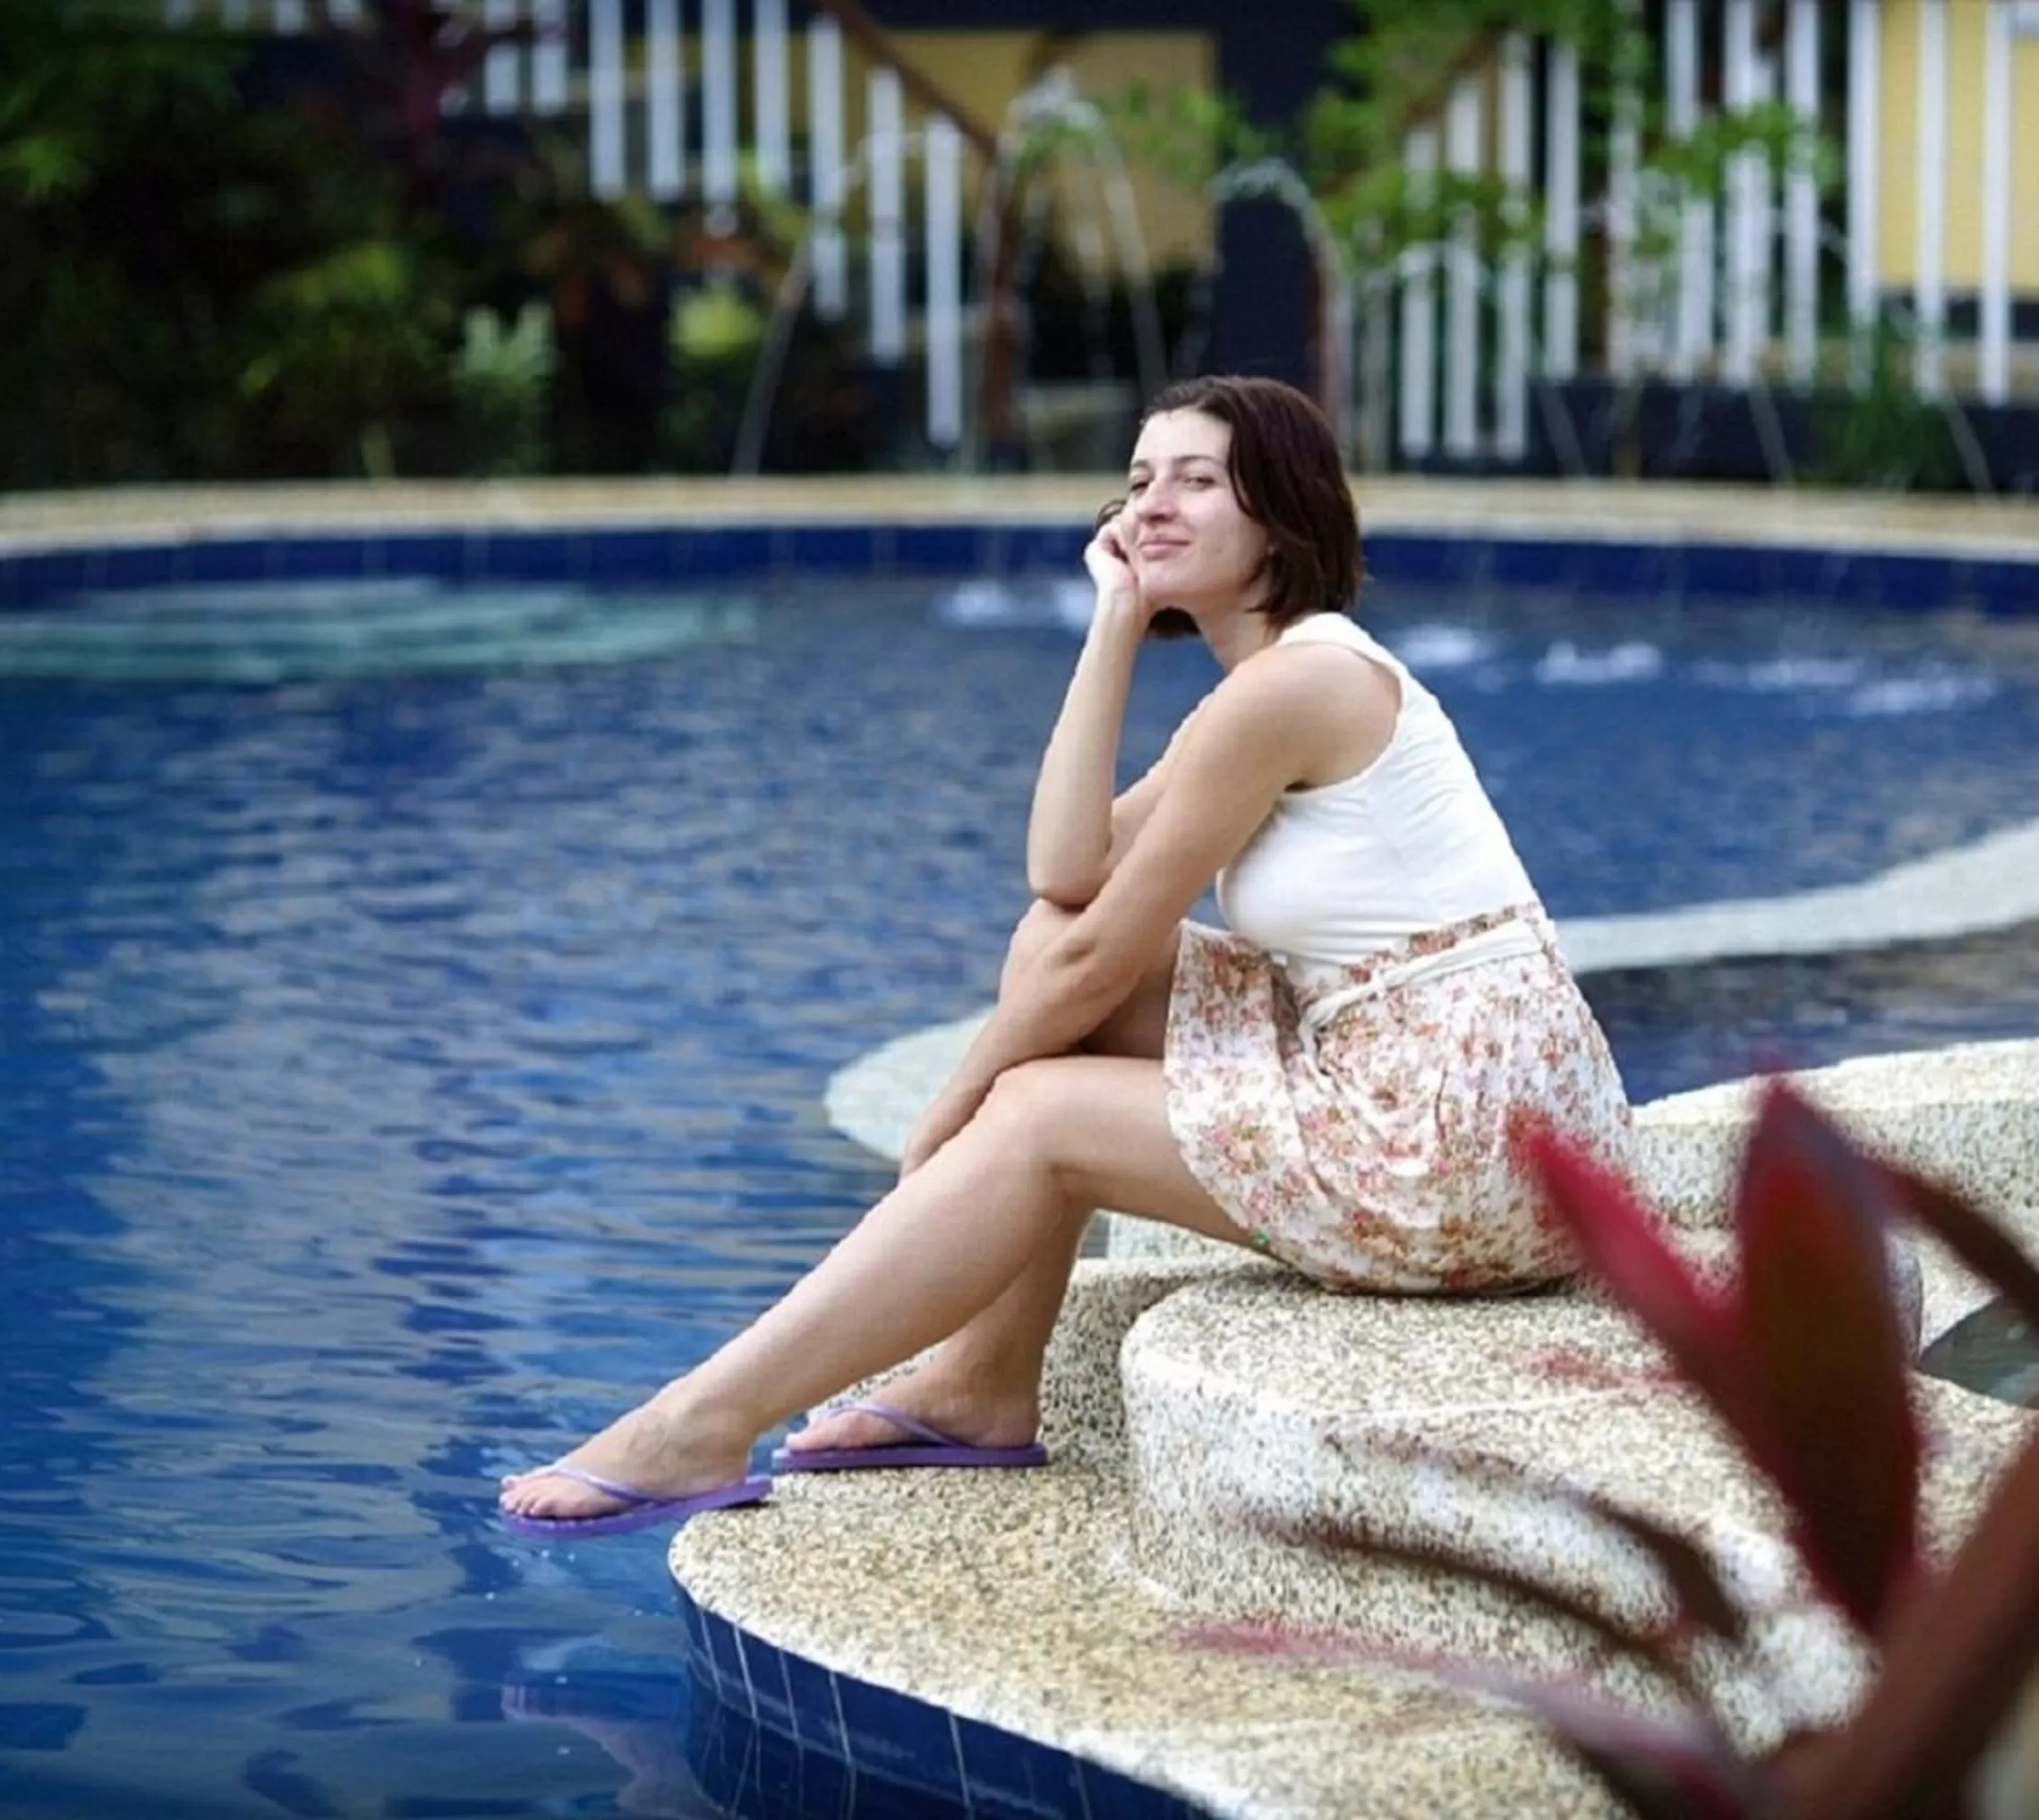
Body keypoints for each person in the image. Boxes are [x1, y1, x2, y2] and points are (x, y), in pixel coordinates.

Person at [499, 375, 1634, 1537]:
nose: (1153, 505)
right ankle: (980, 1380)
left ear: (1281, 513)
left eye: (1196, 480)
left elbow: (1099, 960)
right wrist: (1115, 624)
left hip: (1464, 1146)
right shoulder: (1269, 687)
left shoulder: (1292, 687)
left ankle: (700, 1419)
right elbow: (1065, 873)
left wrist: (962, 1093)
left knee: (1039, 1111)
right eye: (1139, 480)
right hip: (1471, 1100)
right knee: (1050, 949)